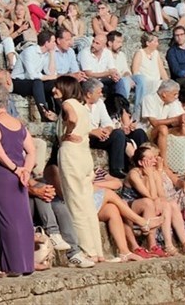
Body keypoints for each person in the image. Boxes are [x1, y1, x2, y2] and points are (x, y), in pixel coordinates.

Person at [0, 85, 36, 275]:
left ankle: (13, 265)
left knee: (7, 220)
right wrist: (26, 171)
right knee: (22, 218)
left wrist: (16, 169)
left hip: (2, 175)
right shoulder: (19, 124)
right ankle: (26, 264)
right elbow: (31, 151)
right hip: (20, 176)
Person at [56, 76, 106, 262]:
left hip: (72, 156)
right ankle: (98, 251)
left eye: (57, 88)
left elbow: (72, 118)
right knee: (87, 205)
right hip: (85, 156)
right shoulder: (83, 106)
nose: (54, 91)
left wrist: (68, 132)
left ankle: (87, 250)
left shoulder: (68, 103)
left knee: (76, 205)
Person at [11, 30, 59, 121]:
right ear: (46, 43)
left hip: (33, 81)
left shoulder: (46, 54)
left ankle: (57, 112)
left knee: (53, 83)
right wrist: (51, 77)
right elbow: (32, 75)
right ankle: (44, 114)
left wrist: (52, 54)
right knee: (37, 82)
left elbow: (51, 73)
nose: (55, 44)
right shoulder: (29, 52)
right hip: (18, 82)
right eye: (53, 41)